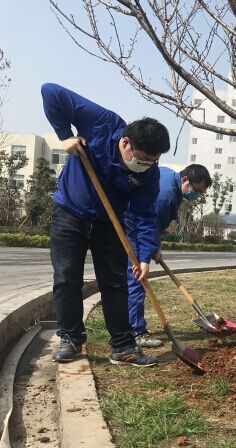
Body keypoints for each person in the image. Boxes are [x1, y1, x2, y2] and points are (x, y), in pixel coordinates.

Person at [42, 83, 170, 367]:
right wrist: (65, 136)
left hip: (109, 224)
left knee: (114, 283)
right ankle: (71, 338)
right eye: (143, 160)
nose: (146, 166)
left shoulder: (150, 174)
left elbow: (145, 215)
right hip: (69, 214)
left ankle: (123, 347)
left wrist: (145, 257)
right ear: (125, 143)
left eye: (153, 162)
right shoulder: (102, 122)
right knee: (66, 278)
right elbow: (50, 91)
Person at [125, 164, 212, 347]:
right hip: (133, 228)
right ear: (185, 180)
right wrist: (150, 250)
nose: (197, 196)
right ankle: (136, 332)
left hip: (139, 225)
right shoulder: (166, 196)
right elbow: (150, 225)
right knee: (139, 279)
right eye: (197, 191)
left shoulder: (169, 176)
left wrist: (155, 247)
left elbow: (154, 225)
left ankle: (131, 326)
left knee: (136, 278)